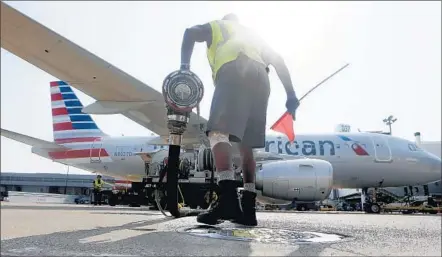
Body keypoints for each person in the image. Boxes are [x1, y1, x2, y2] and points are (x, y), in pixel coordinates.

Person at [180, 13, 299, 226]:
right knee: (247, 146)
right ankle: (248, 210)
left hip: (234, 72)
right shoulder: (253, 35)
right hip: (262, 81)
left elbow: (190, 32)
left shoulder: (218, 26)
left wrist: (184, 68)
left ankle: (227, 198)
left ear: (226, 20)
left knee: (217, 133)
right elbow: (278, 60)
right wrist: (291, 96)